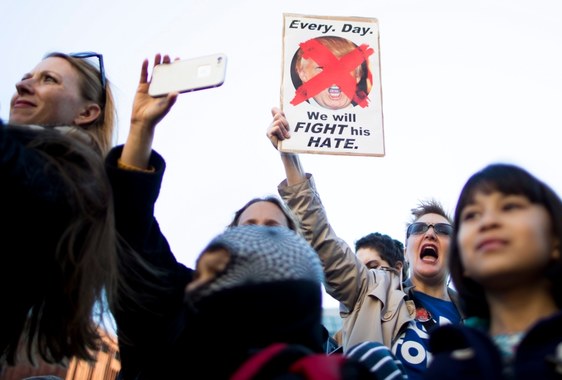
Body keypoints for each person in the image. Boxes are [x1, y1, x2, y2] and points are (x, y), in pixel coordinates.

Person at [106, 54, 342, 378]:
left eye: (273, 227)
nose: (259, 233)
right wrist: (140, 129)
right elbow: (131, 231)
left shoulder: (316, 344)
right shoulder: (179, 298)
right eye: (249, 226)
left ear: (296, 246)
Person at [267, 107, 463, 379]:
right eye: (419, 229)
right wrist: (290, 157)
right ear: (406, 252)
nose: (430, 234)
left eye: (442, 230)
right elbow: (320, 238)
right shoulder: (370, 290)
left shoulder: (479, 315)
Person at [422, 163, 562, 379]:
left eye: (509, 207)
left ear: (556, 241)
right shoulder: (446, 367)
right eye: (472, 215)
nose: (487, 222)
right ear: (463, 262)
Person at [1, 51, 119, 370]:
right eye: (27, 77)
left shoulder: (69, 180)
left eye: (48, 80)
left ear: (86, 112)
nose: (22, 85)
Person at [290, 36, 373, 110]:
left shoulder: (371, 118)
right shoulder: (290, 114)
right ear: (303, 74)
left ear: (357, 76)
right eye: (323, 68)